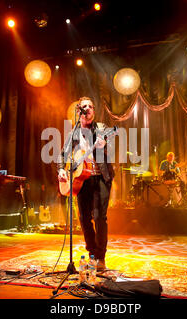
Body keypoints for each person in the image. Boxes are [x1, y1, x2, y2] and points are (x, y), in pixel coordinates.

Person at [57, 96, 114, 271]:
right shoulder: (73, 133)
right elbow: (62, 155)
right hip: (81, 180)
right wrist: (60, 169)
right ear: (79, 111)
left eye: (90, 106)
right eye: (84, 106)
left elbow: (110, 147)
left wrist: (104, 145)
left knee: (99, 217)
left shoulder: (102, 128)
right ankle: (92, 254)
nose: (88, 108)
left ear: (93, 111)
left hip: (101, 178)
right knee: (83, 218)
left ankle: (101, 258)